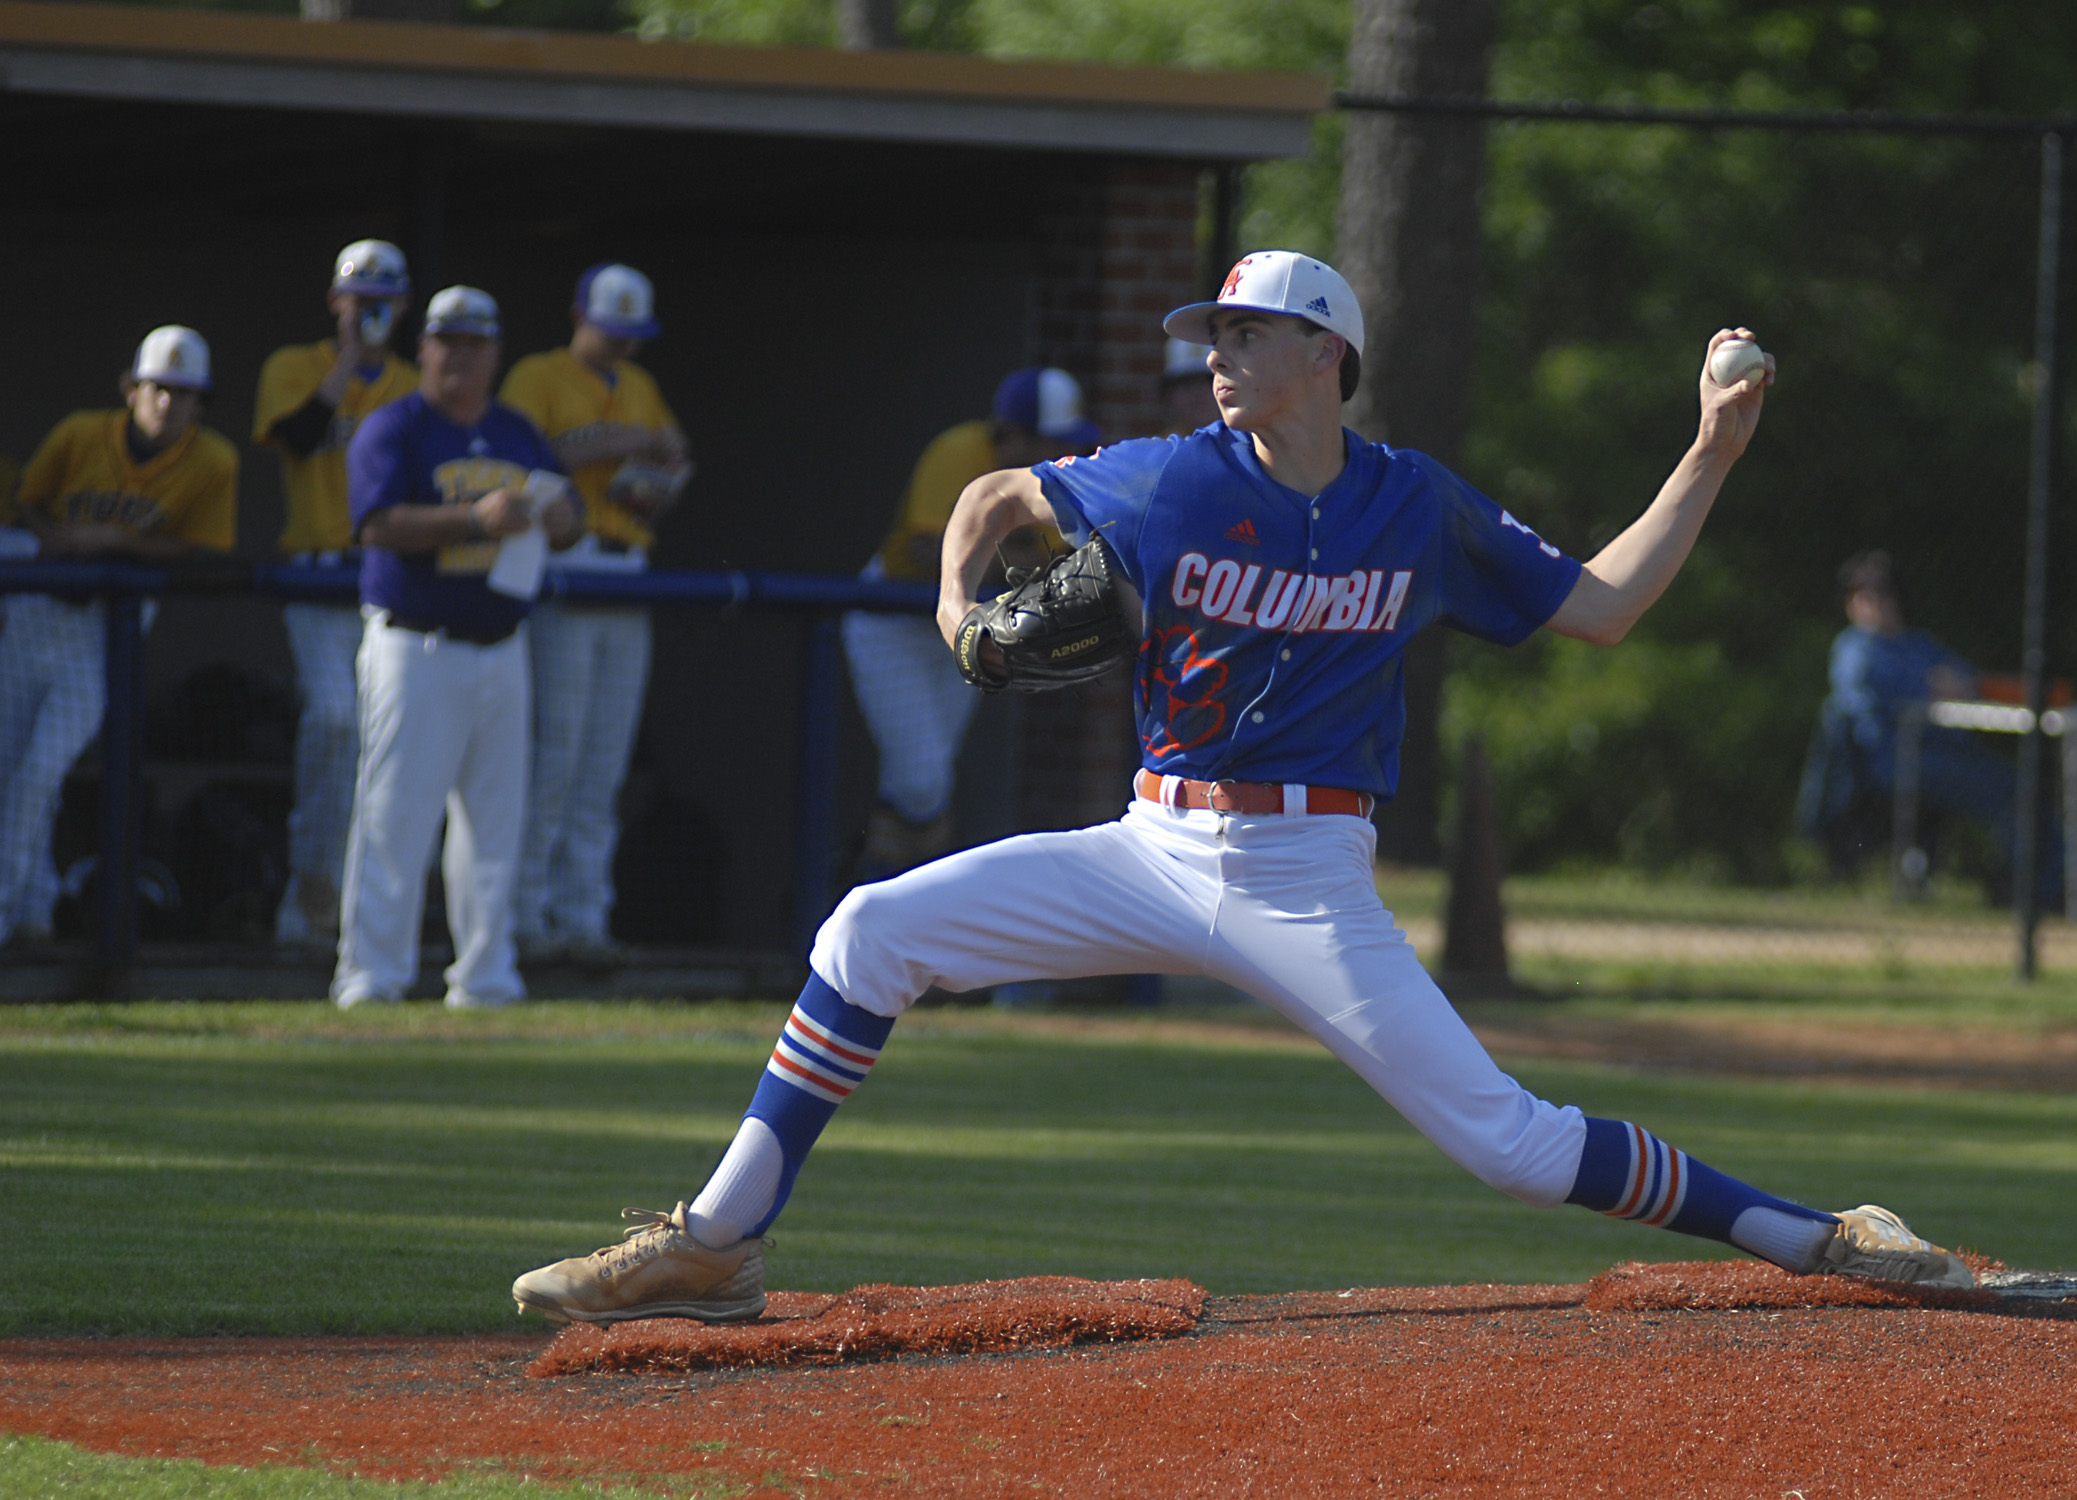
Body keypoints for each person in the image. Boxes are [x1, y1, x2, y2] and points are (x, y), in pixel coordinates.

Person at [510, 251, 1973, 1328]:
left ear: (1326, 355)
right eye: (1212, 334)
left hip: (1307, 878)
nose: (1217, 355)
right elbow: (994, 497)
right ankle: (718, 1243)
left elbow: (1600, 606)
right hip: (1151, 841)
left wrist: (1710, 453)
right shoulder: (1173, 476)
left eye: (1246, 333)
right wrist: (959, 616)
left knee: (1514, 1150)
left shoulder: (1414, 503)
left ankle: (1819, 1236)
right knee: (867, 933)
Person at [331, 286, 582, 1011]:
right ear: (424, 349)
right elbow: (375, 524)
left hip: (503, 646)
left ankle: (485, 976)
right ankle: (371, 975)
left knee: (495, 824)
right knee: (395, 815)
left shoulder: (516, 431)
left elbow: (569, 516)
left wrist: (561, 518)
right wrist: (474, 518)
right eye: (447, 342)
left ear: (496, 354)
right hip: (416, 645)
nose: (460, 357)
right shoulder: (395, 427)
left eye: (475, 344)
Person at [0, 326, 237, 947]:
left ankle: (4, 909)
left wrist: (112, 540)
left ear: (201, 402)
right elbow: (27, 501)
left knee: (43, 769)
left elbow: (202, 549)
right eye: (158, 388)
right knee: (8, 766)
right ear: (131, 389)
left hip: (106, 630)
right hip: (39, 612)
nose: (168, 403)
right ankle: (33, 905)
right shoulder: (80, 433)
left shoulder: (214, 461)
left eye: (184, 393)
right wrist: (58, 540)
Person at [498, 263, 690, 965]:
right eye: (611, 331)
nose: (622, 346)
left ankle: (584, 919)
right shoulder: (537, 375)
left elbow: (673, 452)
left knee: (605, 759)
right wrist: (626, 441)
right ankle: (524, 917)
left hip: (627, 562)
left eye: (631, 334)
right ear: (579, 316)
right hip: (564, 567)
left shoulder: (639, 385)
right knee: (556, 752)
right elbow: (523, 454)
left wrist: (663, 471)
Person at [840, 367, 1098, 879]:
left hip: (967, 622)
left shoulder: (1052, 481)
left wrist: (1012, 559)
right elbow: (928, 547)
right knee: (922, 782)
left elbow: (1067, 558)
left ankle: (875, 882)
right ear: (1013, 436)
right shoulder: (961, 450)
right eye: (1051, 442)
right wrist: (1020, 560)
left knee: (922, 779)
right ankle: (910, 883)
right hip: (893, 623)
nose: (1062, 454)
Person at [254, 239, 419, 954]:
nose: (370, 311)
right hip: (317, 575)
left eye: (382, 300)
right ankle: (310, 892)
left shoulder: (415, 383)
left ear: (403, 306)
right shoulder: (295, 366)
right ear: (335, 301)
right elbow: (297, 437)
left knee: (389, 744)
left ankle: (353, 914)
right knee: (334, 721)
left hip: (388, 578)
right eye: (358, 298)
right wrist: (349, 359)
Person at [1797, 550, 2062, 900]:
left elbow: (1966, 681)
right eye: (1864, 597)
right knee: (2010, 792)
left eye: (1883, 596)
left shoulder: (1918, 644)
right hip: (1894, 761)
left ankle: (2055, 874)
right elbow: (1875, 698)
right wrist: (1930, 688)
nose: (1877, 606)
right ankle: (2034, 883)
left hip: (1946, 750)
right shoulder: (1855, 648)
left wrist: (1954, 686)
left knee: (2020, 784)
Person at [1160, 336, 1217, 436]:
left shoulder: (1247, 443)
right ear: (1169, 393)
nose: (1198, 392)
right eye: (1187, 383)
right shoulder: (1161, 446)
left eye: (1209, 381)